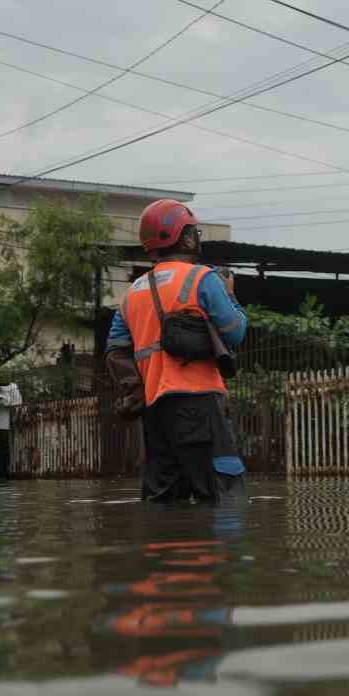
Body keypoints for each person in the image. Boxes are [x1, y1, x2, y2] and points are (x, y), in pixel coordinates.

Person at [106, 199, 248, 502]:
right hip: (200, 406)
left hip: (155, 411)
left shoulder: (131, 294)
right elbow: (236, 333)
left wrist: (135, 389)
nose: (197, 236)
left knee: (163, 502)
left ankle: (163, 548)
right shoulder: (203, 278)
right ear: (183, 237)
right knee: (222, 498)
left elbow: (115, 351)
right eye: (194, 230)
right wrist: (231, 294)